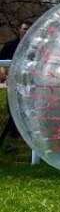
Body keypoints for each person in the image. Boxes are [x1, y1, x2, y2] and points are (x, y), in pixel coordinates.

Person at [0, 21, 30, 151]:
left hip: (28, 83)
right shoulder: (10, 45)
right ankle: (13, 135)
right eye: (24, 29)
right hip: (13, 82)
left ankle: (24, 135)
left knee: (26, 108)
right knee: (13, 107)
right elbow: (2, 62)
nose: (25, 31)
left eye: (28, 29)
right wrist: (3, 74)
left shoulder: (34, 47)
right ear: (19, 29)